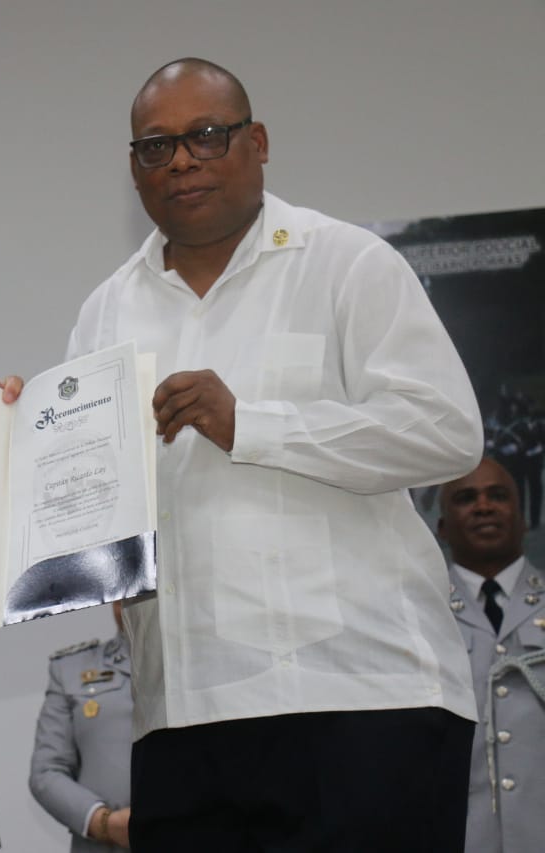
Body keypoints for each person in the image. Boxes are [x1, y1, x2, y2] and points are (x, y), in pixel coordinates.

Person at [55, 57, 484, 850]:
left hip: (364, 699)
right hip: (182, 718)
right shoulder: (104, 314)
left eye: (206, 136)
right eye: (156, 146)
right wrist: (23, 446)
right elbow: (87, 507)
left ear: (257, 144)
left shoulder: (346, 263)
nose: (181, 161)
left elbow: (446, 429)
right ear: (134, 168)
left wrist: (251, 424)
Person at [437, 457, 545, 853]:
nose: (483, 506)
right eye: (466, 498)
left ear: (523, 518)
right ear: (441, 528)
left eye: (497, 496)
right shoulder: (420, 619)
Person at [29, 602, 133, 851]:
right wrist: (105, 823)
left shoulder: (202, 667)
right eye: (122, 592)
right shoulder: (72, 669)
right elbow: (47, 772)